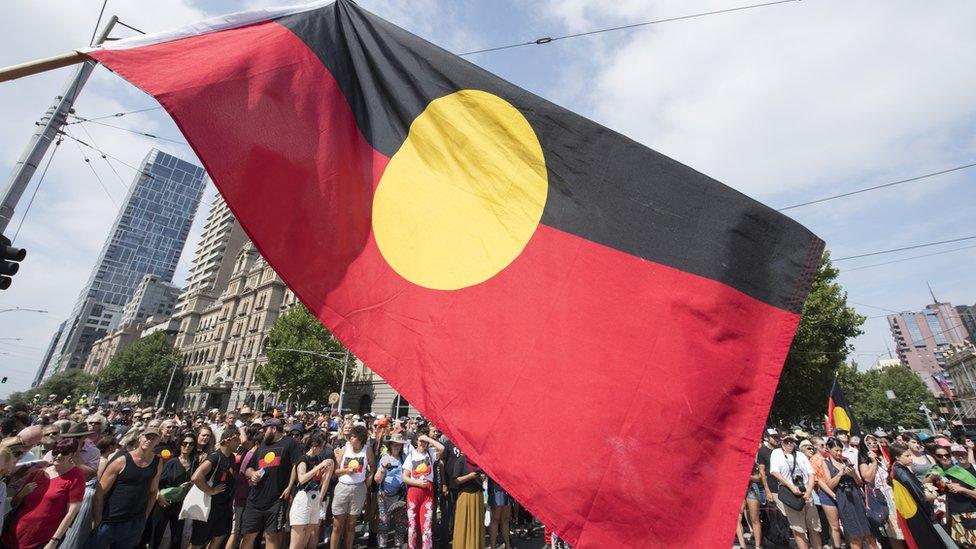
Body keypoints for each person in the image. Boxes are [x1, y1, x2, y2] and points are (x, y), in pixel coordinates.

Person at [85, 427, 162, 549]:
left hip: (134, 522)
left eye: (153, 439)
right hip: (110, 521)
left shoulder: (157, 462)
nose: (149, 441)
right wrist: (98, 518)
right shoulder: (121, 461)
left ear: (158, 442)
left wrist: (145, 516)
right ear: (139, 438)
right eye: (147, 437)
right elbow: (100, 491)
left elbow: (153, 491)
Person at [1, 437, 85, 549]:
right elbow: (14, 504)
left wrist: (54, 541)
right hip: (13, 534)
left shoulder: (76, 477)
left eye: (64, 452)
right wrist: (22, 494)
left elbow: (71, 513)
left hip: (41, 539)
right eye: (56, 451)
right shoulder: (37, 473)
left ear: (73, 454)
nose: (59, 455)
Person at [241, 418, 302, 549]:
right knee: (248, 535)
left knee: (272, 536)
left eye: (265, 430)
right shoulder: (262, 446)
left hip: (277, 500)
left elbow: (295, 466)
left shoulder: (289, 442)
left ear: (273, 429)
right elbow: (248, 469)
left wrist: (289, 487)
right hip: (255, 499)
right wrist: (253, 474)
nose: (263, 433)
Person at [189, 427, 242, 549]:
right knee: (197, 542)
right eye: (236, 440)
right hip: (208, 506)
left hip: (223, 507)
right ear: (227, 441)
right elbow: (196, 476)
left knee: (219, 536)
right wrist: (210, 490)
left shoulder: (232, 458)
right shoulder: (215, 457)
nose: (239, 443)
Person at [769, 434, 822, 549]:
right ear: (781, 443)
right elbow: (774, 471)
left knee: (814, 527)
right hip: (791, 493)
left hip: (806, 492)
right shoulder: (777, 453)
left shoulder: (800, 455)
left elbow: (811, 473)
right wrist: (791, 487)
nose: (789, 444)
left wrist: (809, 491)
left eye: (791, 441)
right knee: (798, 529)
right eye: (786, 441)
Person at [822, 438, 873, 549]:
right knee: (854, 532)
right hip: (843, 499)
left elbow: (859, 483)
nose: (839, 453)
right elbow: (829, 485)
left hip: (856, 497)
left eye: (840, 450)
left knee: (867, 531)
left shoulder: (846, 461)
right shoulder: (826, 463)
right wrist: (840, 474)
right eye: (836, 450)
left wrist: (854, 473)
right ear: (828, 449)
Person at [151, 430, 198, 548]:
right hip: (164, 503)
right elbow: (157, 482)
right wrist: (159, 497)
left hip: (181, 505)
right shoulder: (171, 462)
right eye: (185, 443)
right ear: (180, 444)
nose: (187, 446)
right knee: (155, 536)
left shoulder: (194, 464)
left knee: (177, 537)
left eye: (191, 444)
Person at [332, 424, 375, 549]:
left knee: (351, 525)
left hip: (358, 488)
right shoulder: (345, 448)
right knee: (337, 524)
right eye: (351, 436)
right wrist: (347, 470)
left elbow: (372, 466)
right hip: (343, 487)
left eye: (354, 436)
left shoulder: (367, 450)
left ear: (360, 439)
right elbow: (335, 470)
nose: (351, 438)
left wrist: (370, 476)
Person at [290, 431, 334, 549]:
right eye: (321, 446)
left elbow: (322, 479)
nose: (322, 449)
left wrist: (327, 470)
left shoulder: (318, 458)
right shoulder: (303, 459)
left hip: (315, 497)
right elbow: (302, 478)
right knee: (296, 542)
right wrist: (320, 467)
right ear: (314, 445)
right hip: (303, 498)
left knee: (306, 538)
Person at [402, 427, 445, 549]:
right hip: (413, 492)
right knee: (413, 526)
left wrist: (428, 439)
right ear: (416, 441)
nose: (422, 443)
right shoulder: (411, 455)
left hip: (428, 492)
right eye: (420, 441)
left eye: (424, 441)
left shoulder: (431, 453)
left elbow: (442, 448)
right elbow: (404, 477)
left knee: (426, 527)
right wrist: (417, 483)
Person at [860, 433, 905, 548]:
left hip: (896, 494)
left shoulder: (885, 456)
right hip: (881, 498)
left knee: (905, 527)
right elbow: (867, 478)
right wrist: (874, 461)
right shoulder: (864, 461)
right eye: (869, 443)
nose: (873, 445)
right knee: (893, 531)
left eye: (875, 442)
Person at [375, 433, 409, 549]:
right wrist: (383, 468)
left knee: (401, 522)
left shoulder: (404, 457)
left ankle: (398, 545)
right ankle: (382, 545)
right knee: (384, 523)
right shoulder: (384, 458)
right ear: (390, 445)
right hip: (385, 495)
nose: (397, 447)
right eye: (394, 445)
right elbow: (377, 480)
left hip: (401, 495)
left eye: (399, 445)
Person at [450, 449, 485, 549]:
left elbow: (483, 474)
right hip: (465, 496)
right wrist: (469, 476)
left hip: (477, 496)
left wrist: (482, 477)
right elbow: (456, 480)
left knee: (476, 524)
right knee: (464, 524)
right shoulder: (461, 460)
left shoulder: (478, 461)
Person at [944, 443, 976, 546]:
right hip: (961, 513)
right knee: (965, 542)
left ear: (967, 453)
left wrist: (962, 489)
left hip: (972, 512)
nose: (961, 456)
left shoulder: (974, 468)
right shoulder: (951, 472)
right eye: (957, 454)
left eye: (963, 454)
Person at [488, 475, 514, 549]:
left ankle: (507, 545)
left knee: (506, 519)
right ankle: (493, 546)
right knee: (495, 519)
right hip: (496, 487)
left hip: (508, 487)